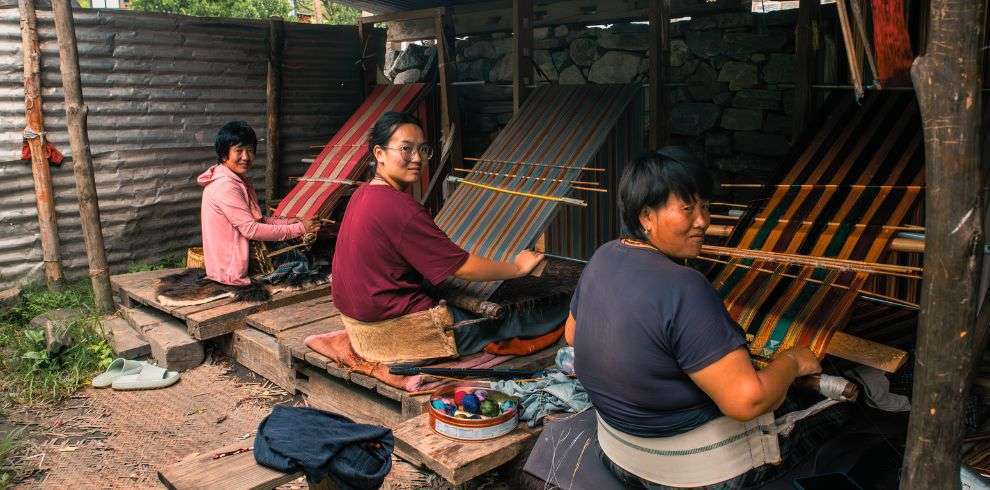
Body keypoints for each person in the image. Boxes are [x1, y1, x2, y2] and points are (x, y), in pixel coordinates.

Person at [565, 148, 841, 489]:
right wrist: (793, 360)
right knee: (838, 420)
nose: (702, 221)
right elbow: (747, 401)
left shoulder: (605, 254)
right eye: (687, 208)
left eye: (705, 206)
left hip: (617, 452)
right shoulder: (683, 285)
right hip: (685, 474)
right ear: (646, 216)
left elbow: (572, 334)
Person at [330, 111, 567, 363]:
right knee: (525, 316)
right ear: (379, 154)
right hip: (407, 333)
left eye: (422, 149)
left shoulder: (362, 195)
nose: (417, 158)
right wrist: (518, 268)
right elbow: (462, 267)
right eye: (406, 149)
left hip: (363, 328)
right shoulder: (398, 208)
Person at [198, 121, 319, 286]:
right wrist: (300, 228)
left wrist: (288, 222)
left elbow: (256, 219)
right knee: (303, 264)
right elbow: (250, 229)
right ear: (224, 154)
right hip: (231, 268)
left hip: (236, 257)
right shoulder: (225, 185)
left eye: (249, 150)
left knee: (301, 257)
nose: (246, 157)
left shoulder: (235, 179)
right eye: (239, 151)